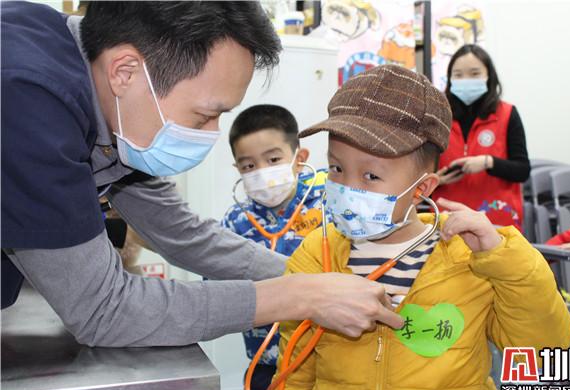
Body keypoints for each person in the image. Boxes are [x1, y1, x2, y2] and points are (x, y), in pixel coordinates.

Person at [1, 1, 403, 347]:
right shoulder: (27, 102)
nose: (210, 135)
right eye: (204, 114)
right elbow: (104, 310)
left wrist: (316, 277)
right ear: (125, 72)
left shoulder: (104, 97)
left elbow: (183, 234)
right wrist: (297, 296)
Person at [272, 65, 570, 390]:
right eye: (337, 168)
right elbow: (295, 372)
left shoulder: (467, 258)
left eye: (371, 176)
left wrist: (505, 262)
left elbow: (544, 349)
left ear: (422, 188)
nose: (347, 186)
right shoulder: (317, 254)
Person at [222, 105, 328, 390]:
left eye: (273, 159)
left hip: (325, 359)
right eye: (249, 166)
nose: (262, 172)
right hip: (265, 363)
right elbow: (219, 286)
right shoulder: (235, 221)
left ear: (299, 158)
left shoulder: (328, 201)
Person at [433, 44, 531, 230]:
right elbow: (420, 173)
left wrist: (488, 162)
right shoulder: (438, 116)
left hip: (497, 222)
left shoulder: (507, 114)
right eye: (458, 75)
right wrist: (436, 180)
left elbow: (523, 170)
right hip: (448, 221)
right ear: (450, 79)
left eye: (474, 73)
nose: (466, 80)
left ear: (489, 76)